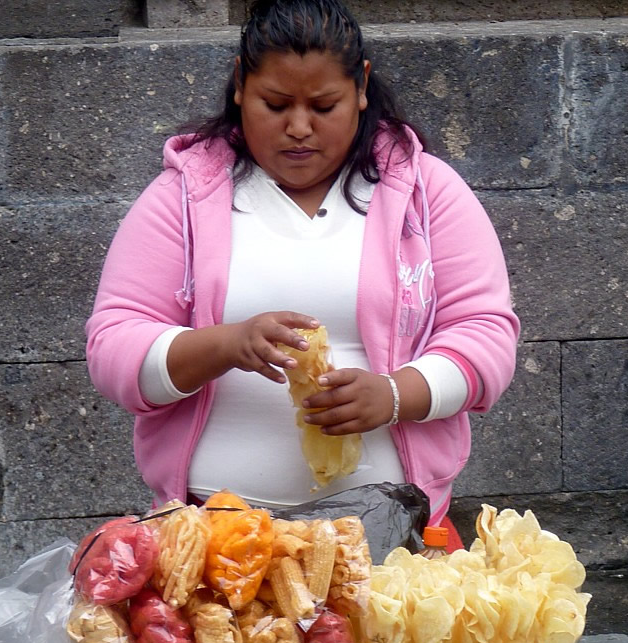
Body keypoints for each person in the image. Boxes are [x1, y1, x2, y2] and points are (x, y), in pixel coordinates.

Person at [86, 0, 519, 550]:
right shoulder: (184, 198)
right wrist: (225, 344)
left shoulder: (425, 193)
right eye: (275, 103)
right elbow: (113, 348)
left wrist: (394, 396)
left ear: (361, 88)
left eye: (323, 105)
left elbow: (485, 336)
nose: (297, 128)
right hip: (212, 537)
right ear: (240, 85)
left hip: (392, 532)